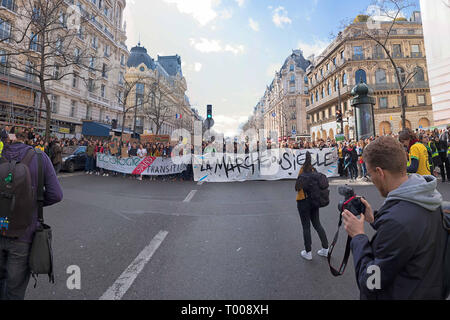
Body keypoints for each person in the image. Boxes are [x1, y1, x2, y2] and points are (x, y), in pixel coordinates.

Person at [342, 136, 446, 300]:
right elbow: (409, 237)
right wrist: (375, 218)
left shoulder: (396, 222)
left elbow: (371, 281)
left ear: (380, 172)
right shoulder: (428, 196)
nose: (372, 179)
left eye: (370, 173)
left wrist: (358, 237)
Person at [0, 130, 63, 300]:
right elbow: (56, 194)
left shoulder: (1, 154)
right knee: (15, 290)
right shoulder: (40, 158)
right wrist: (33, 203)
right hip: (24, 233)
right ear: (30, 140)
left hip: (0, 226)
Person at [295, 152, 329, 261]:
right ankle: (325, 248)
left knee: (306, 226)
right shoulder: (314, 170)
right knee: (317, 224)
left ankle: (308, 252)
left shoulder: (302, 170)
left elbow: (297, 187)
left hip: (303, 201)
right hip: (314, 201)